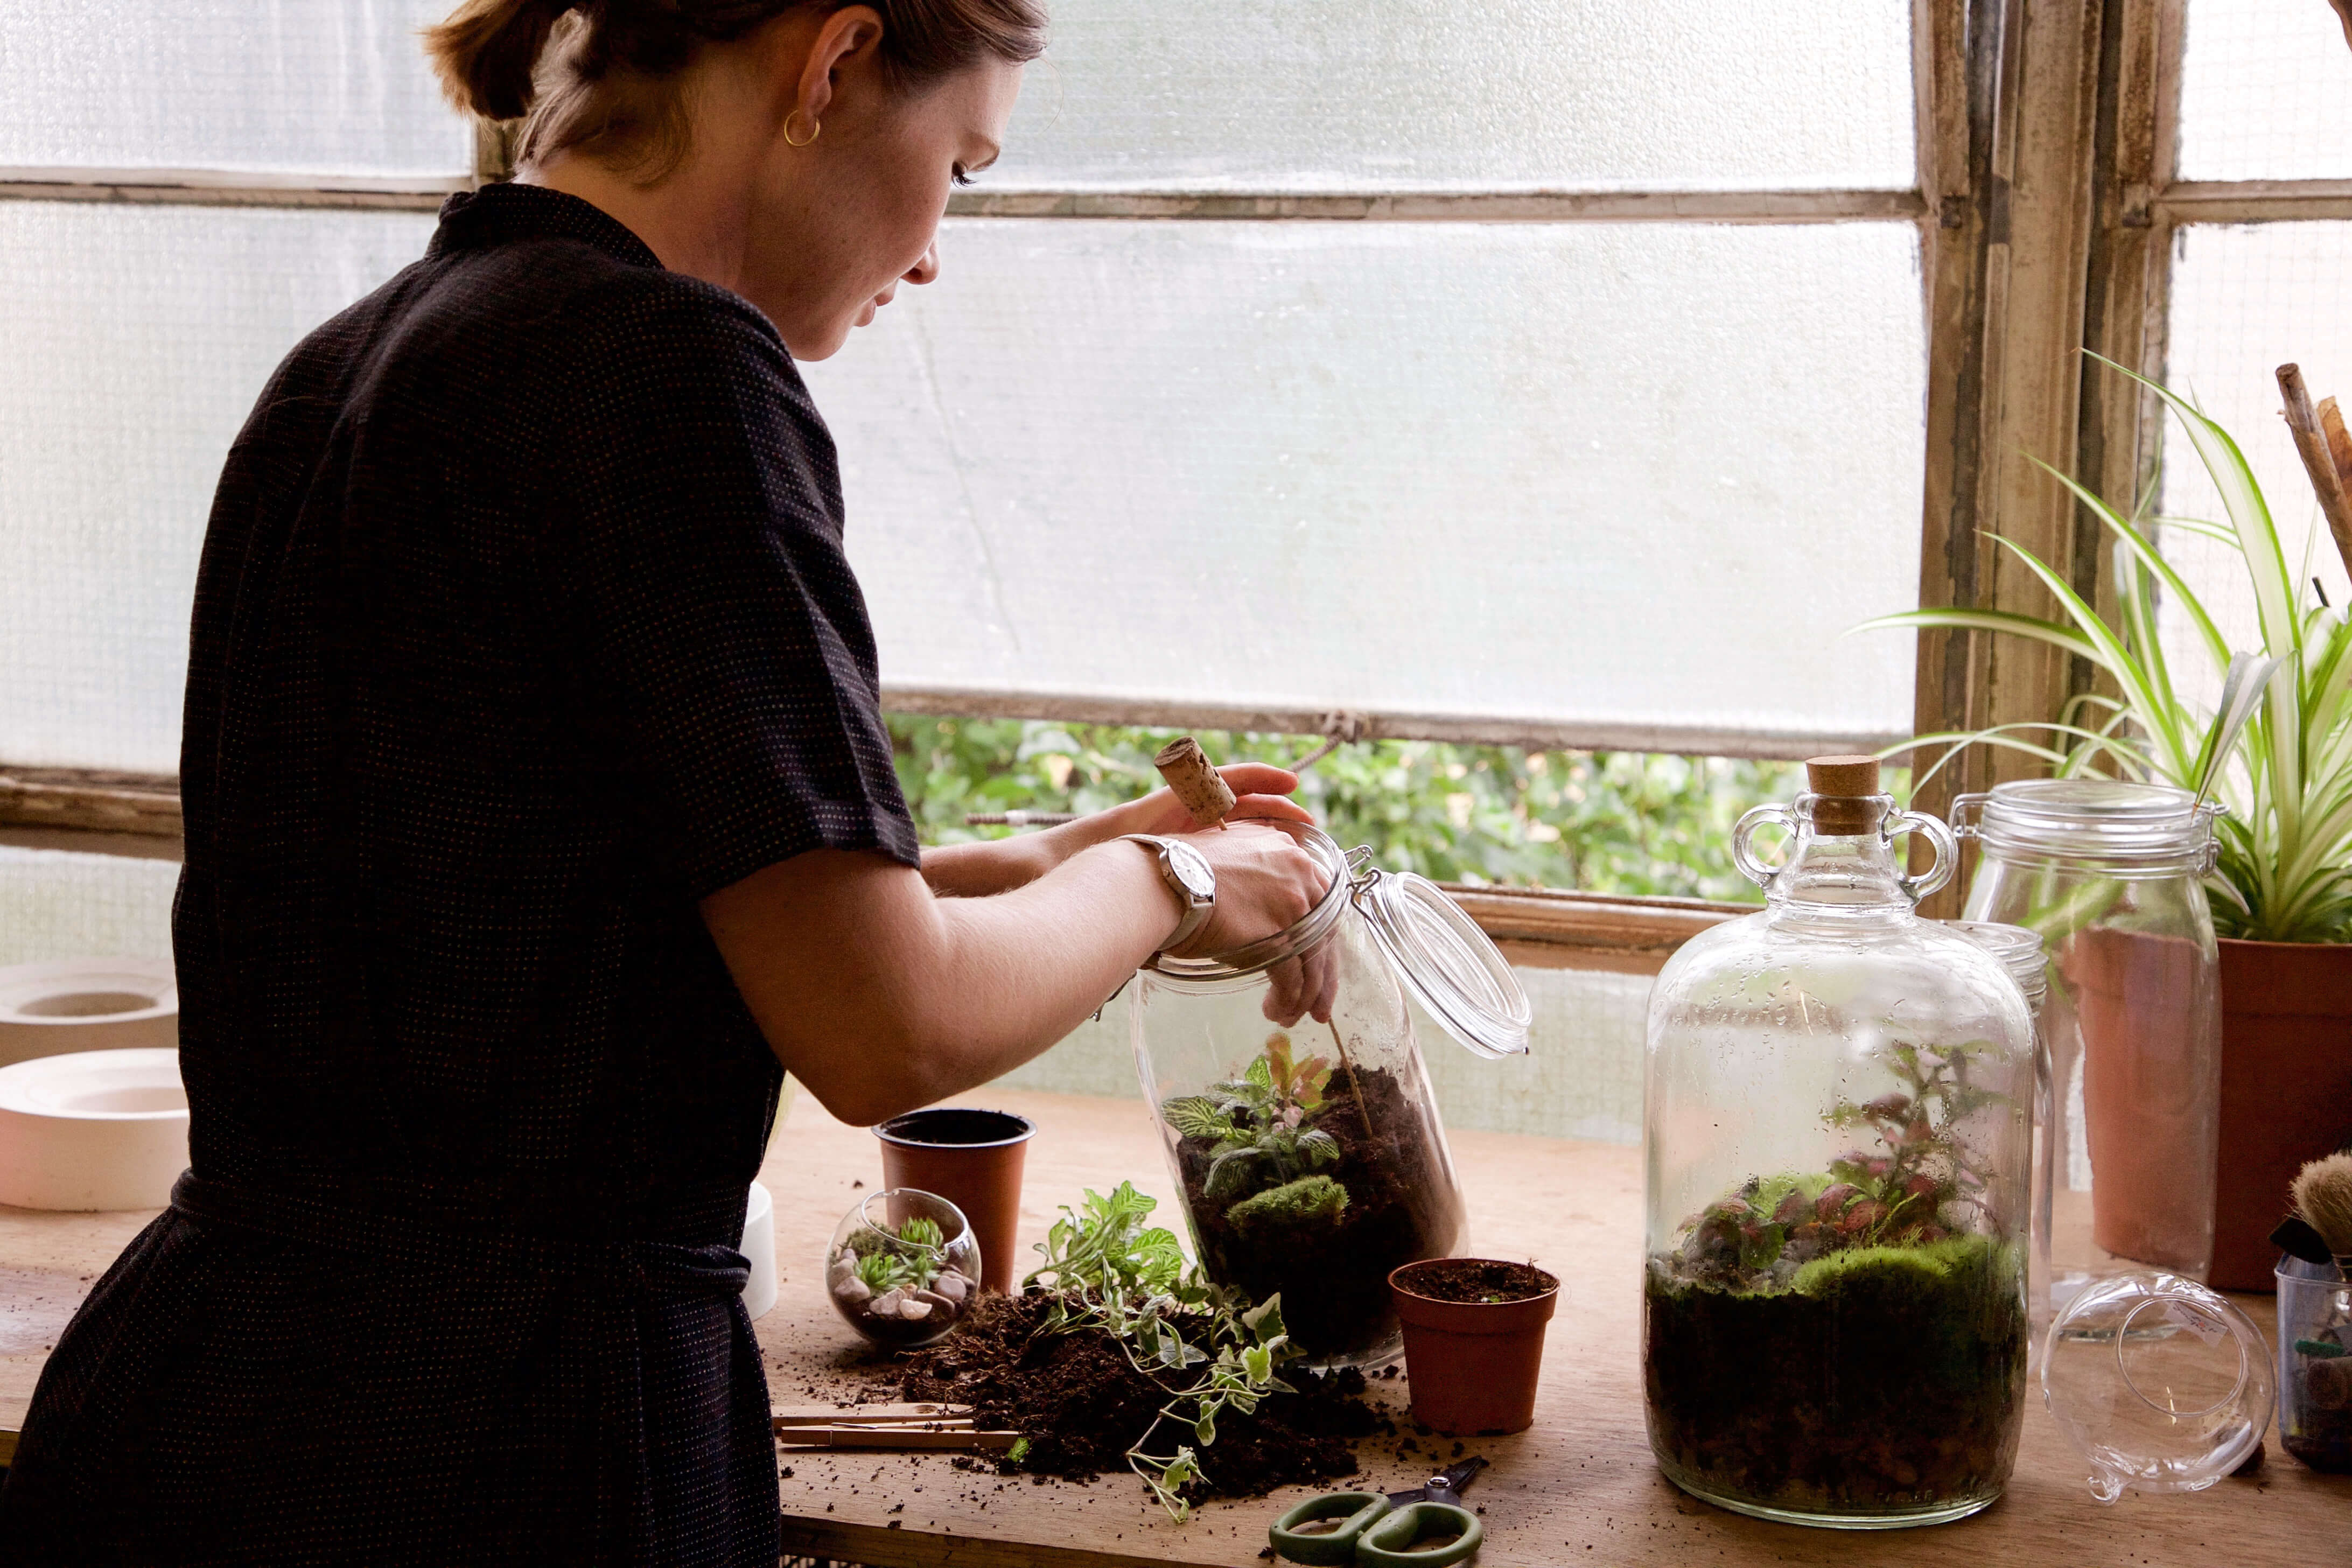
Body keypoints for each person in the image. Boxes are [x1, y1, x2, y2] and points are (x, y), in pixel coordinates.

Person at [0, 3, 1331, 1562]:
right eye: (960, 167)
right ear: (831, 68)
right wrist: (1168, 882)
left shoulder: (356, 364)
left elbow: (615, 887)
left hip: (209, 1393)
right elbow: (883, 1028)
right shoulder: (669, 369)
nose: (930, 256)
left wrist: (1050, 861)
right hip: (499, 1442)